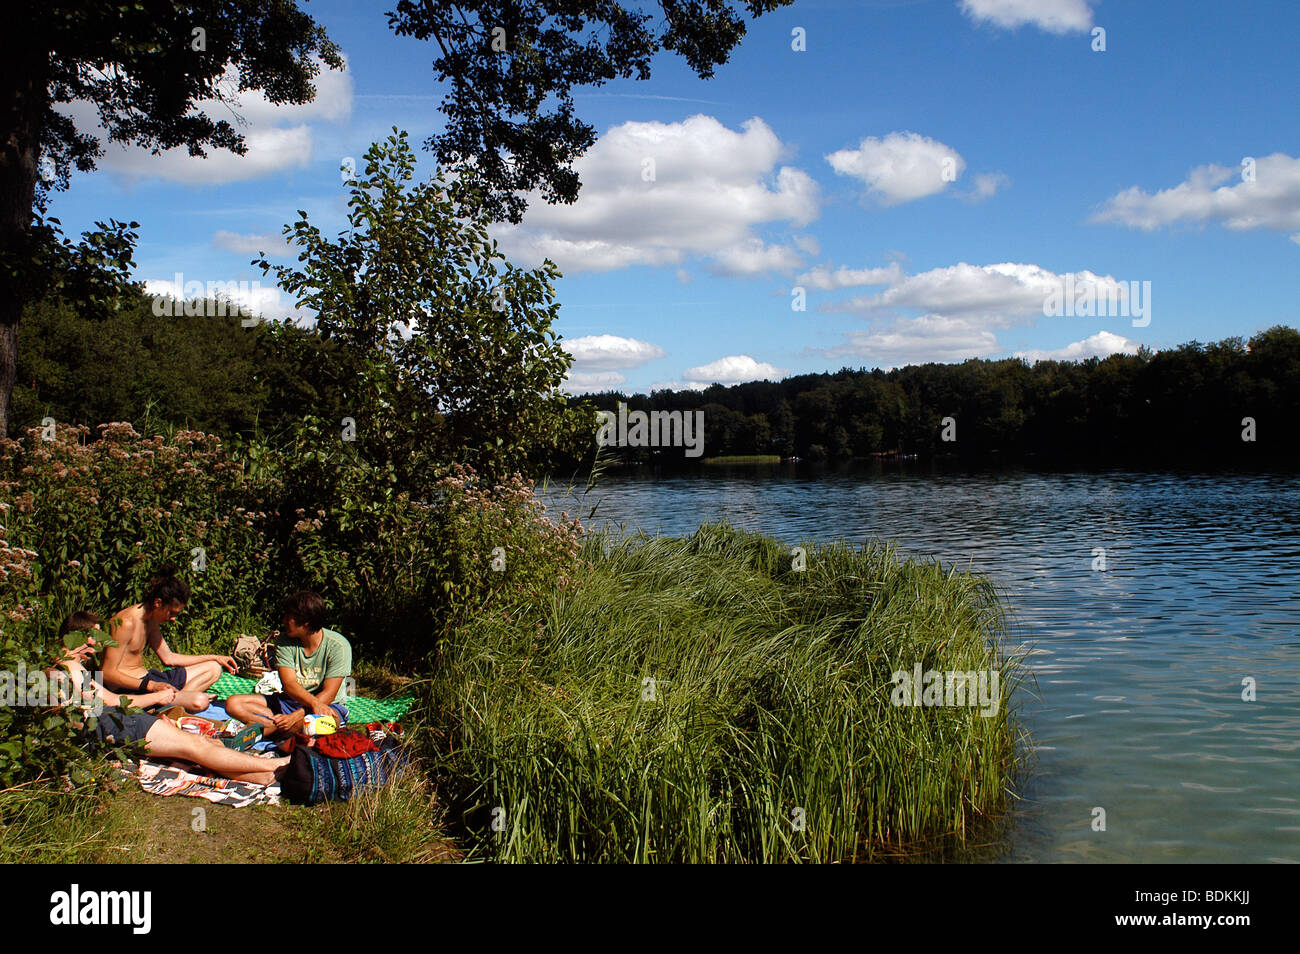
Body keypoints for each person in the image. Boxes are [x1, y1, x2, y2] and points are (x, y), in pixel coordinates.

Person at [55, 612, 288, 786]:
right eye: (95, 638)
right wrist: (159, 697)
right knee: (195, 746)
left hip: (117, 722)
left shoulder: (61, 668)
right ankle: (274, 765)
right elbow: (112, 702)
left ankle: (264, 775)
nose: (98, 646)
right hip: (120, 724)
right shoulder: (71, 670)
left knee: (201, 746)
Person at [100, 565, 234, 713]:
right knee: (200, 702)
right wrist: (150, 686)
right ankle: (172, 704)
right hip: (134, 687)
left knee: (214, 668)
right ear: (158, 603)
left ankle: (172, 703)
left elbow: (168, 658)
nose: (173, 619)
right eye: (172, 613)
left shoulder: (150, 619)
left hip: (151, 679)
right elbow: (107, 673)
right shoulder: (125, 623)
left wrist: (216, 657)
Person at [224, 590, 352, 737]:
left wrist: (297, 715)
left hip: (326, 706)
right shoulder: (284, 642)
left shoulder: (339, 646)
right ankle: (277, 729)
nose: (284, 621)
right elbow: (289, 684)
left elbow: (328, 694)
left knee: (309, 723)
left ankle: (261, 733)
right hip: (290, 701)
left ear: (306, 622)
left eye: (288, 617)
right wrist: (292, 715)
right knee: (233, 703)